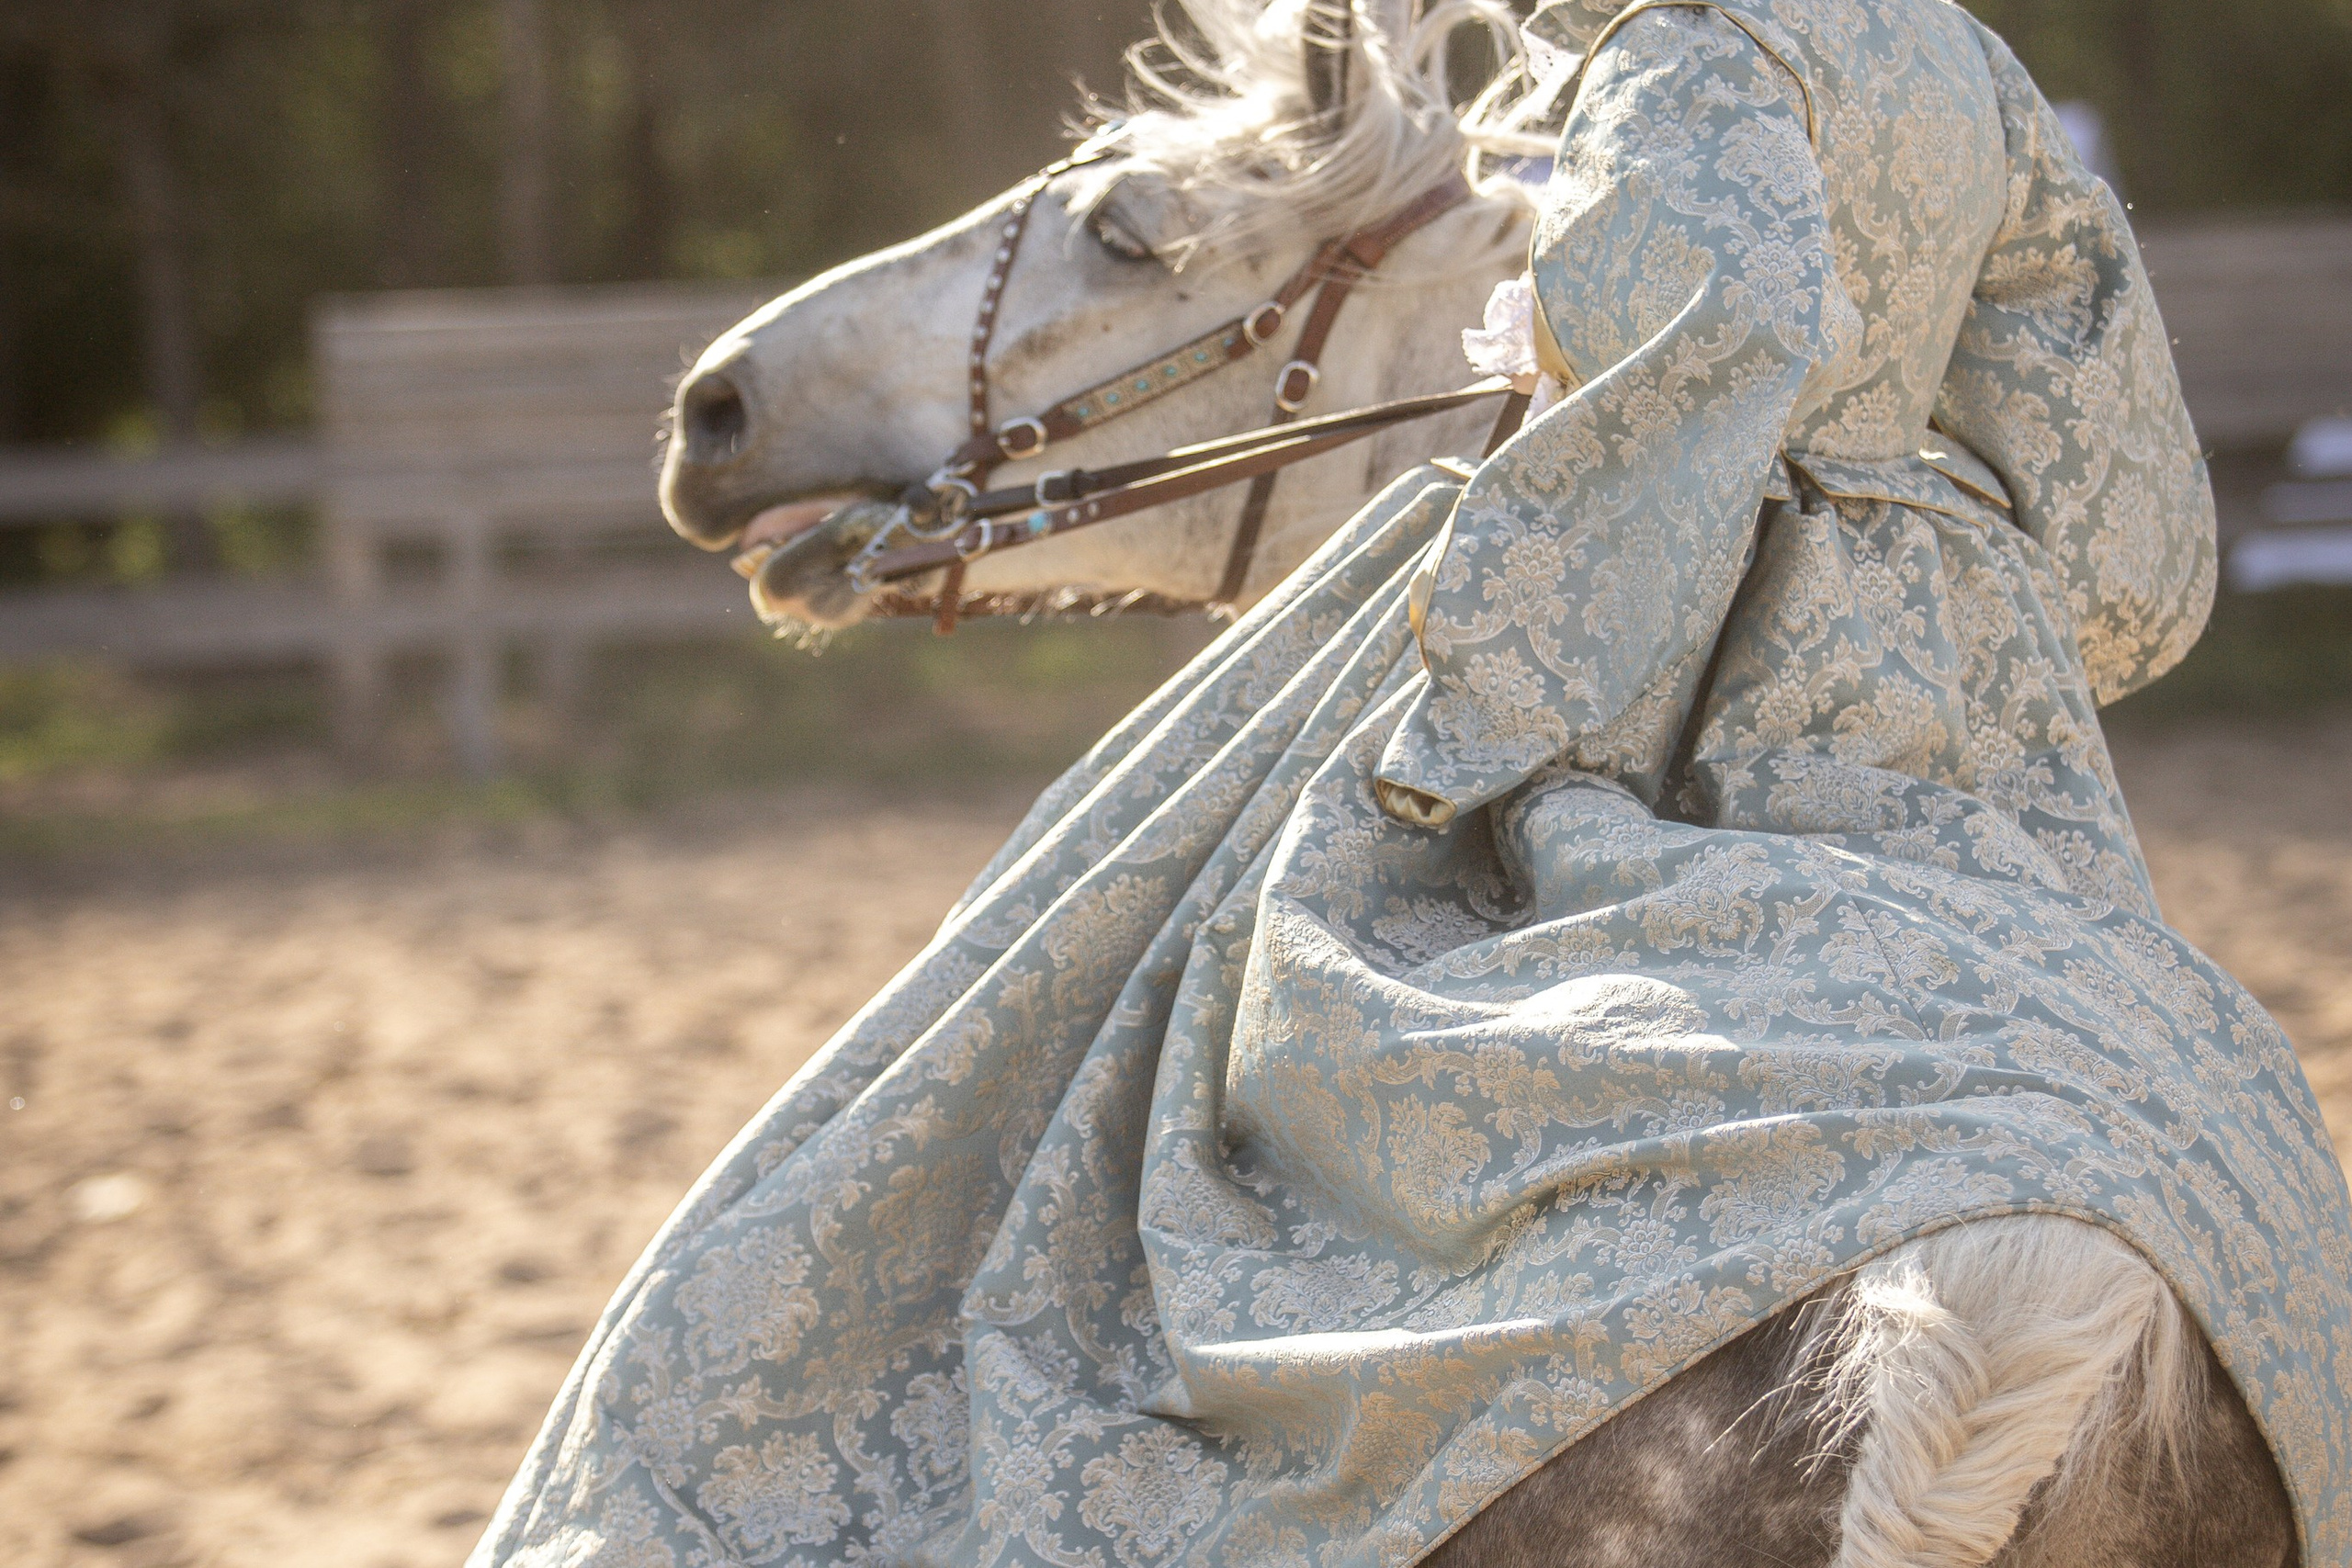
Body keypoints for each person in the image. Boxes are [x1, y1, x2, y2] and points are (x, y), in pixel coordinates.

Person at [472, 2, 2352, 1563]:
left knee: (1176, 1026)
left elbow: (1691, 384)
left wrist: (1471, 717)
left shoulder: (1684, 51)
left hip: (1640, 615)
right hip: (1948, 715)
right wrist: (1934, 574)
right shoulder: (1960, 62)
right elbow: (2124, 533)